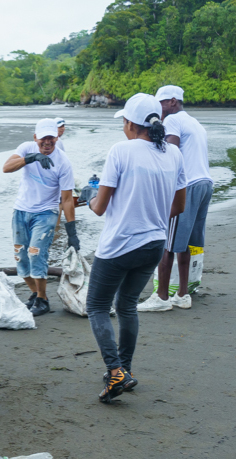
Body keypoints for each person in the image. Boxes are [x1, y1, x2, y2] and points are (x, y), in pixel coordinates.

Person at [85, 93, 186, 403]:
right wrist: (149, 213)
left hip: (119, 244)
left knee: (98, 307)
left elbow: (100, 208)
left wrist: (88, 194)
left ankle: (115, 371)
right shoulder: (173, 154)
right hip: (154, 243)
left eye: (124, 123)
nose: (123, 128)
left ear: (130, 123)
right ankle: (124, 370)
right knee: (127, 305)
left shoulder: (121, 151)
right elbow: (178, 205)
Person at [138, 85, 213, 312]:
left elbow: (169, 155)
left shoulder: (173, 121)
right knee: (186, 242)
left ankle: (161, 297)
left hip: (188, 185)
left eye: (161, 104)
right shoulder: (194, 122)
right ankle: (182, 293)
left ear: (172, 101)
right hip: (204, 183)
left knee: (167, 242)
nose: (159, 110)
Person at [2, 118, 78, 316]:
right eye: (43, 138)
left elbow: (67, 199)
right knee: (21, 256)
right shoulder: (27, 148)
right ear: (35, 137)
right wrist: (31, 158)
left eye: (51, 138)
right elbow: (6, 167)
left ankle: (43, 300)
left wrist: (72, 230)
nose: (47, 142)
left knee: (36, 253)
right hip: (21, 210)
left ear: (56, 137)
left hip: (46, 212)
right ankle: (35, 294)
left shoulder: (63, 162)